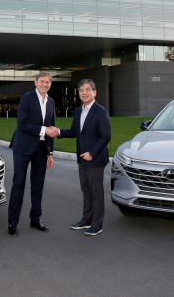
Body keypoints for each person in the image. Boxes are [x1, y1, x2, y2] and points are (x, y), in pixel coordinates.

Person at [57, 79, 111, 236]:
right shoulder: (79, 111)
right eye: (81, 90)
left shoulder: (101, 112)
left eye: (87, 89)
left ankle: (97, 224)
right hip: (82, 159)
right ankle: (86, 220)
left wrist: (92, 153)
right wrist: (58, 131)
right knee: (86, 191)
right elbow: (75, 132)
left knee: (96, 193)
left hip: (95, 159)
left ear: (94, 92)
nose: (84, 92)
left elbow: (106, 136)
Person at [7, 71, 56, 237]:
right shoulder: (26, 98)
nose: (44, 84)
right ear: (35, 82)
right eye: (42, 81)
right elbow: (22, 124)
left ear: (50, 84)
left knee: (38, 185)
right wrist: (44, 129)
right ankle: (12, 222)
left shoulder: (51, 102)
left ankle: (35, 219)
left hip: (41, 150)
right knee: (18, 184)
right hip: (23, 148)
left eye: (47, 82)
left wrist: (50, 152)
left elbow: (51, 128)